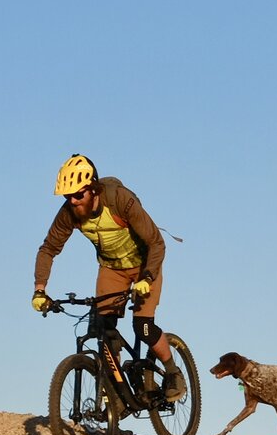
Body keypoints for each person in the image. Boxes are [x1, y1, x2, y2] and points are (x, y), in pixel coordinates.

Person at [31, 154, 183, 399]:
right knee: (103, 329)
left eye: (78, 195)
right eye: (67, 197)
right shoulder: (69, 213)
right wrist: (40, 289)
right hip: (112, 268)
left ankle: (173, 371)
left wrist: (147, 277)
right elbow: (48, 248)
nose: (73, 201)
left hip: (144, 265)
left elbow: (156, 243)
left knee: (142, 327)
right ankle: (115, 391)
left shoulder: (120, 201)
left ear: (92, 189)